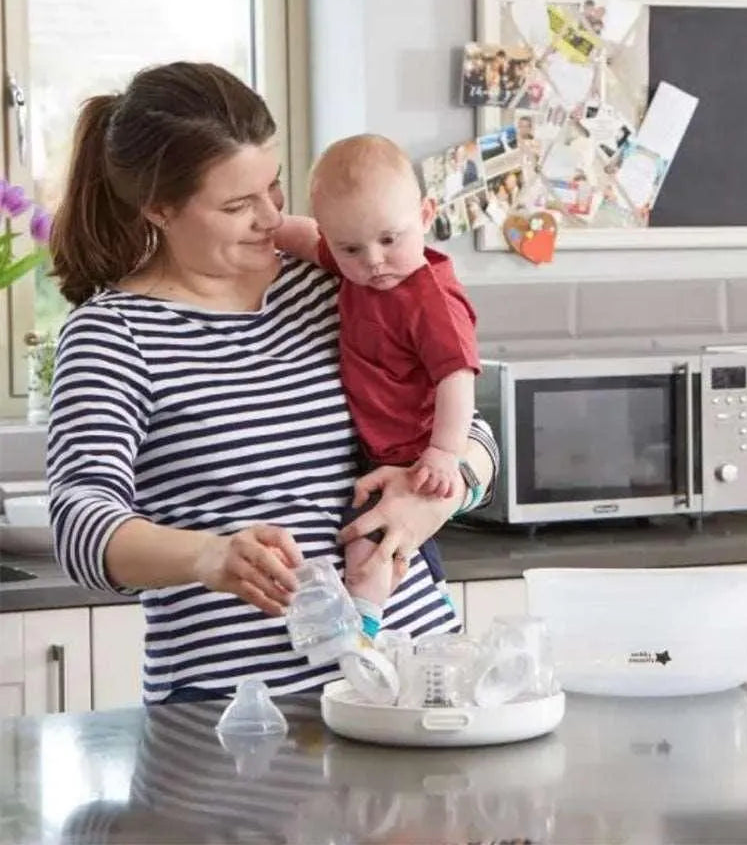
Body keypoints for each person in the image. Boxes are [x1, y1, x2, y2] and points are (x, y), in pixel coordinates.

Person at [46, 62, 498, 703]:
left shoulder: (333, 282)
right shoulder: (115, 335)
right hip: (237, 707)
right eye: (237, 205)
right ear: (160, 209)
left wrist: (435, 499)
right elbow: (80, 525)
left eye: (275, 189)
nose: (270, 218)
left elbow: (468, 431)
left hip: (412, 683)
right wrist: (208, 557)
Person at [274, 134, 481, 636]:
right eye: (351, 248)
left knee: (364, 542)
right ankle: (404, 591)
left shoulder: (429, 298)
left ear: (426, 214)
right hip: (378, 447)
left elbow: (457, 377)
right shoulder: (354, 267)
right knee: (374, 533)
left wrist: (444, 454)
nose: (373, 261)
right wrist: (270, 227)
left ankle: (363, 621)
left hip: (414, 451)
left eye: (390, 240)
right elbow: (307, 239)